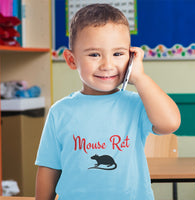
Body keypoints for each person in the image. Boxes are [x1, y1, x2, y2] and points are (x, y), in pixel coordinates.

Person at [35, 4, 180, 200]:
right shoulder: (60, 111)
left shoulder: (137, 104)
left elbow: (170, 123)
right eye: (94, 54)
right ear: (71, 60)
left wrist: (140, 78)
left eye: (118, 54)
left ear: (131, 57)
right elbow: (49, 168)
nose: (107, 65)